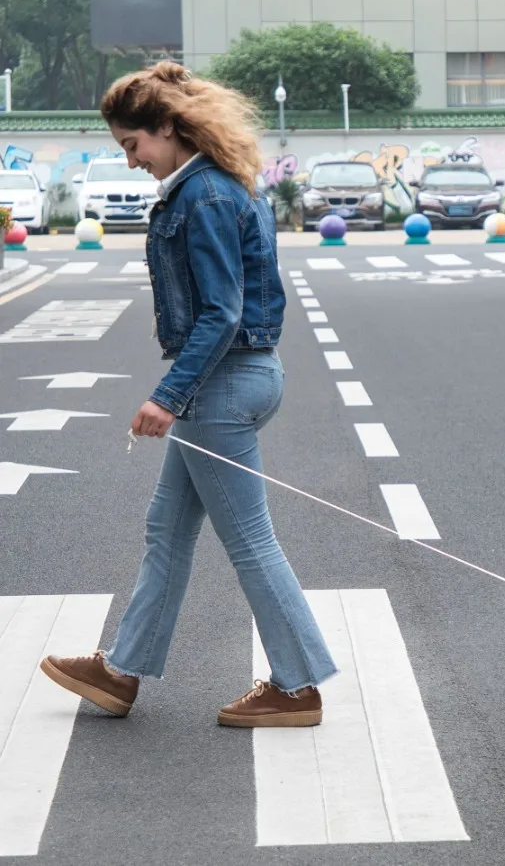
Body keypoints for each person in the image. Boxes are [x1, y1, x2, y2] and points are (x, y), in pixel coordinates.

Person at [39, 62, 338, 728]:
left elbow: (222, 312)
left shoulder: (202, 195)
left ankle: (298, 686)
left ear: (168, 129)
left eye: (133, 143)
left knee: (250, 542)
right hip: (231, 380)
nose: (131, 159)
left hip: (221, 386)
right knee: (166, 530)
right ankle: (121, 672)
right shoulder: (210, 186)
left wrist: (168, 396)